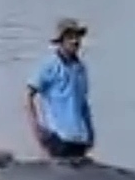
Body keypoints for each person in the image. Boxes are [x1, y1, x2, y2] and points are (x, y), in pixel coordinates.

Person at [27, 18, 95, 159]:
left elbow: (83, 104)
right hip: (58, 137)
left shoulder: (80, 68)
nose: (75, 41)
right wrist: (37, 129)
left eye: (77, 37)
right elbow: (28, 95)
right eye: (70, 37)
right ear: (61, 41)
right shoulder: (50, 65)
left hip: (80, 138)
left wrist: (90, 132)